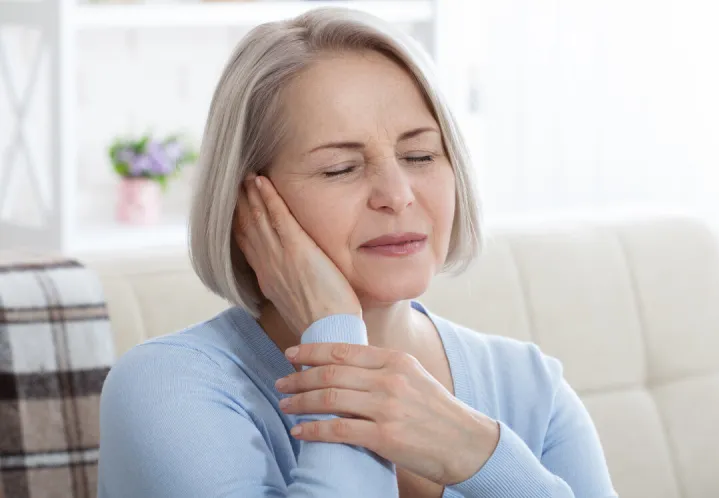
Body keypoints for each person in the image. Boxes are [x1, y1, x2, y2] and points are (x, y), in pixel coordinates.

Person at [97, 7, 617, 498]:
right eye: (340, 168)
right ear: (247, 210)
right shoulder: (166, 389)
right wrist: (336, 334)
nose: (397, 193)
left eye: (420, 155)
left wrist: (478, 452)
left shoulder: (530, 386)